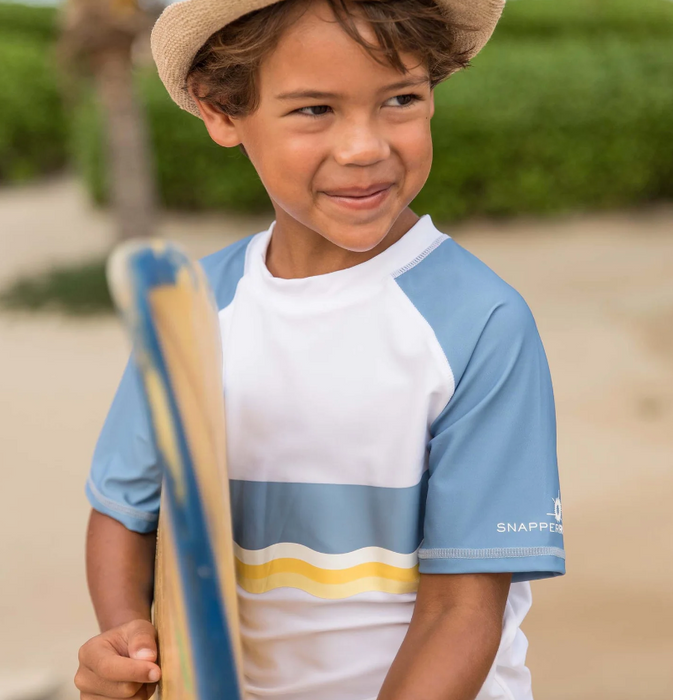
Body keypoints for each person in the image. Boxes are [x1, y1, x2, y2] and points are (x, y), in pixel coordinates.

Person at [74, 1, 566, 699]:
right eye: (314, 110)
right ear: (221, 111)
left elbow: (461, 612)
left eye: (400, 98)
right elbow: (125, 513)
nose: (364, 146)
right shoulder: (190, 308)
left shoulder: (479, 323)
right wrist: (127, 638)